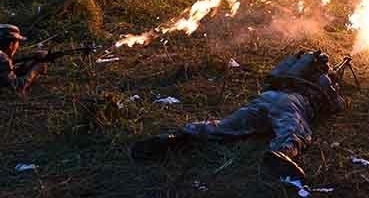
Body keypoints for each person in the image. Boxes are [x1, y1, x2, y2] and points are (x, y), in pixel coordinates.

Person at [131, 49, 347, 180]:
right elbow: (336, 106)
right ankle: (281, 154)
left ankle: (177, 137)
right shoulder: (322, 81)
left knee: (225, 126)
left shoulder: (293, 69)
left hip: (267, 98)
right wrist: (335, 85)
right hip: (291, 103)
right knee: (293, 132)